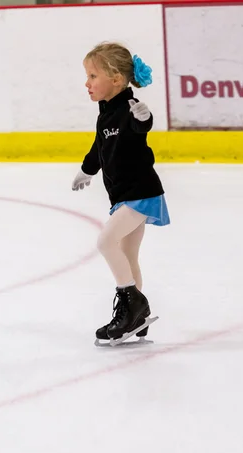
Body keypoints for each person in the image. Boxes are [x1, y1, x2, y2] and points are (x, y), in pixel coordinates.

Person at [72, 42, 170, 342]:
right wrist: (87, 170)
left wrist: (143, 117)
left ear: (115, 79)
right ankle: (135, 317)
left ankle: (132, 304)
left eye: (92, 76)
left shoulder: (129, 109)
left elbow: (143, 126)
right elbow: (99, 147)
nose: (87, 83)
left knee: (105, 241)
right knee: (127, 255)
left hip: (140, 192)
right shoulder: (106, 114)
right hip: (124, 196)